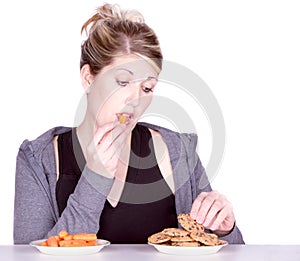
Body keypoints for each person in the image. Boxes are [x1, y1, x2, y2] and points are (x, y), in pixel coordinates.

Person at [13, 3, 244, 244]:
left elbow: (230, 252)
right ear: (88, 77)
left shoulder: (180, 152)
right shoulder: (37, 160)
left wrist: (225, 230)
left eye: (147, 88)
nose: (136, 100)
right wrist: (94, 179)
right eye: (122, 82)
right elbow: (27, 257)